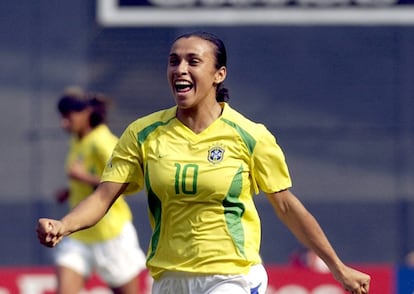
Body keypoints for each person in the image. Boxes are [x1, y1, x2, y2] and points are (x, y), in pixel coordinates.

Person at [37, 32, 370, 294]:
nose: (180, 69)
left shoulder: (250, 135)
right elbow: (102, 197)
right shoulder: (142, 134)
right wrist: (63, 226)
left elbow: (286, 206)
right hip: (170, 277)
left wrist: (338, 267)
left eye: (193, 61)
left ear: (218, 74)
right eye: (173, 61)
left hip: (230, 275)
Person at [49, 87, 147, 294]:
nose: (63, 123)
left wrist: (83, 177)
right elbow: (93, 178)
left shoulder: (103, 141)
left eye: (68, 117)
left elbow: (127, 183)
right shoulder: (78, 140)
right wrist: (70, 190)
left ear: (86, 113)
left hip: (110, 234)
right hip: (79, 234)